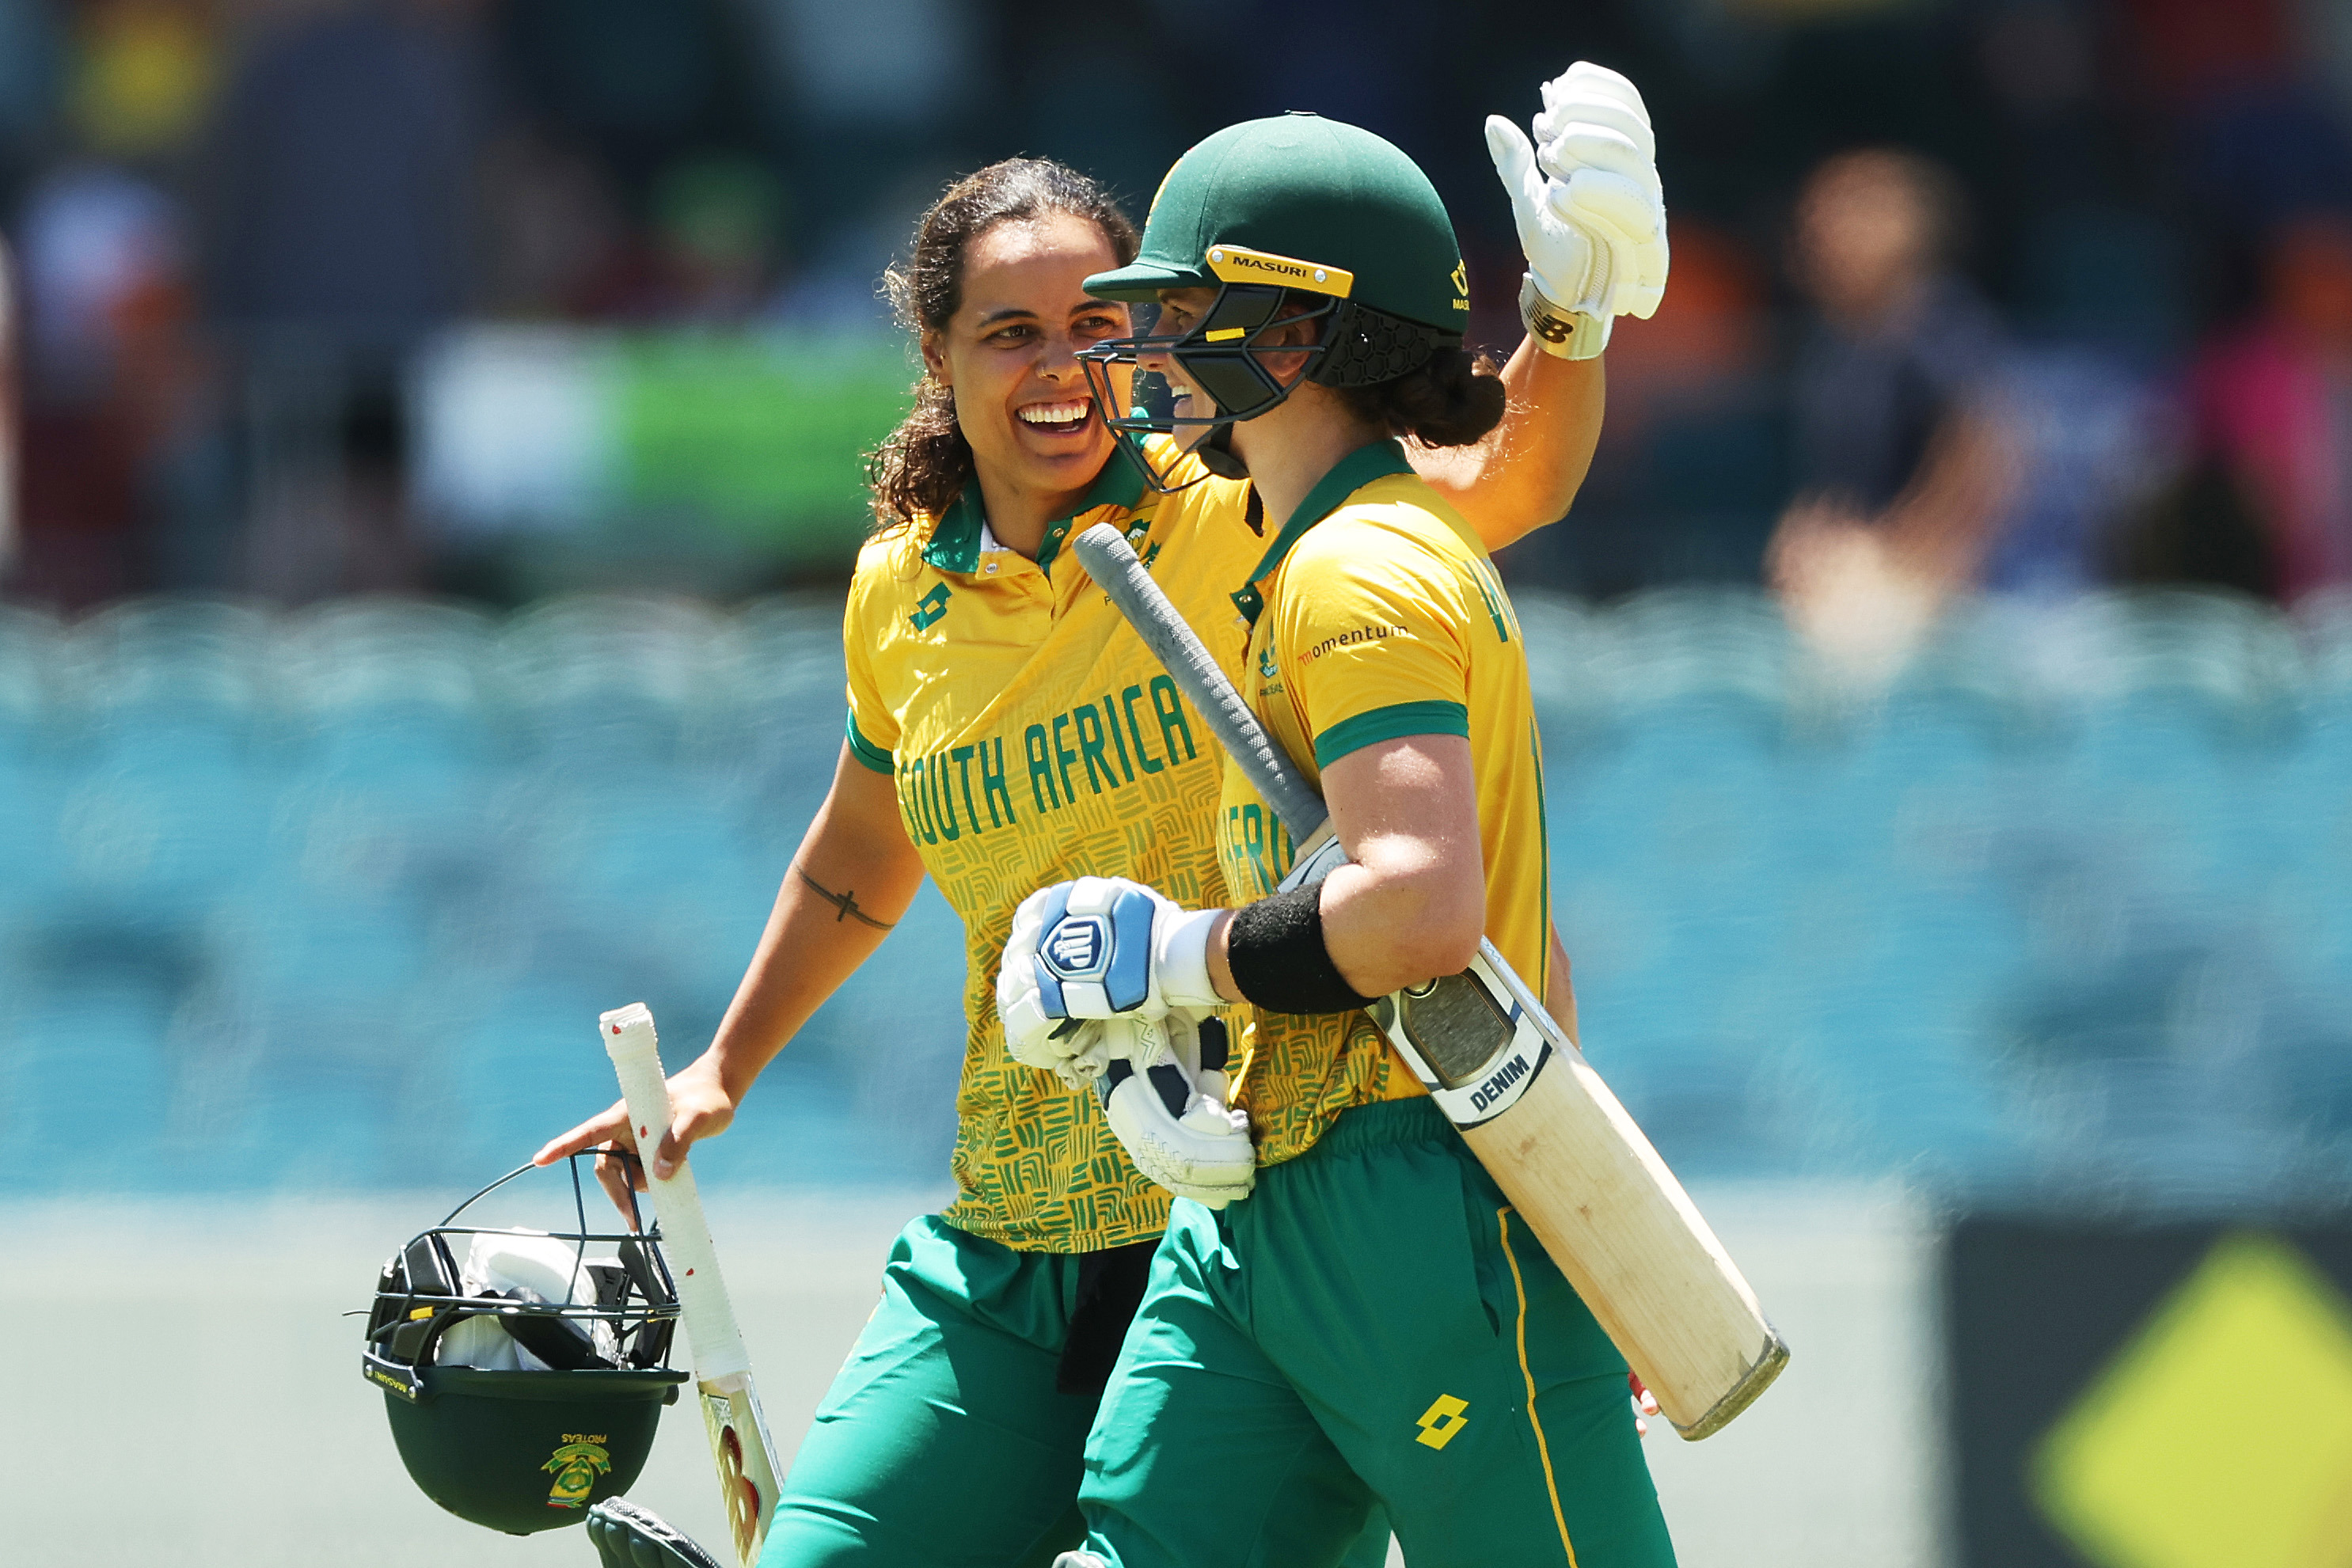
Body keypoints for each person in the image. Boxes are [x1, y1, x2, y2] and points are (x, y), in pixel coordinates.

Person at [538, 62, 1667, 1568]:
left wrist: (1568, 320)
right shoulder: (898, 594)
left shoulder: (1240, 506)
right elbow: (859, 858)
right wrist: (721, 1070)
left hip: (1249, 1187)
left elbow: (1501, 479)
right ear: (937, 356)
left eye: (1097, 323)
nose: (1066, 365)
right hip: (1020, 1230)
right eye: (1012, 332)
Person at [997, 104, 1675, 1568]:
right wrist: (1566, 321)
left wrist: (1168, 960)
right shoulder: (1315, 536)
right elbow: (1518, 483)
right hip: (1272, 1195)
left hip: (1403, 1189)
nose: (1147, 344)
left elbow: (1422, 912)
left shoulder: (1358, 560)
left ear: (1292, 338)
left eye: (1184, 307)